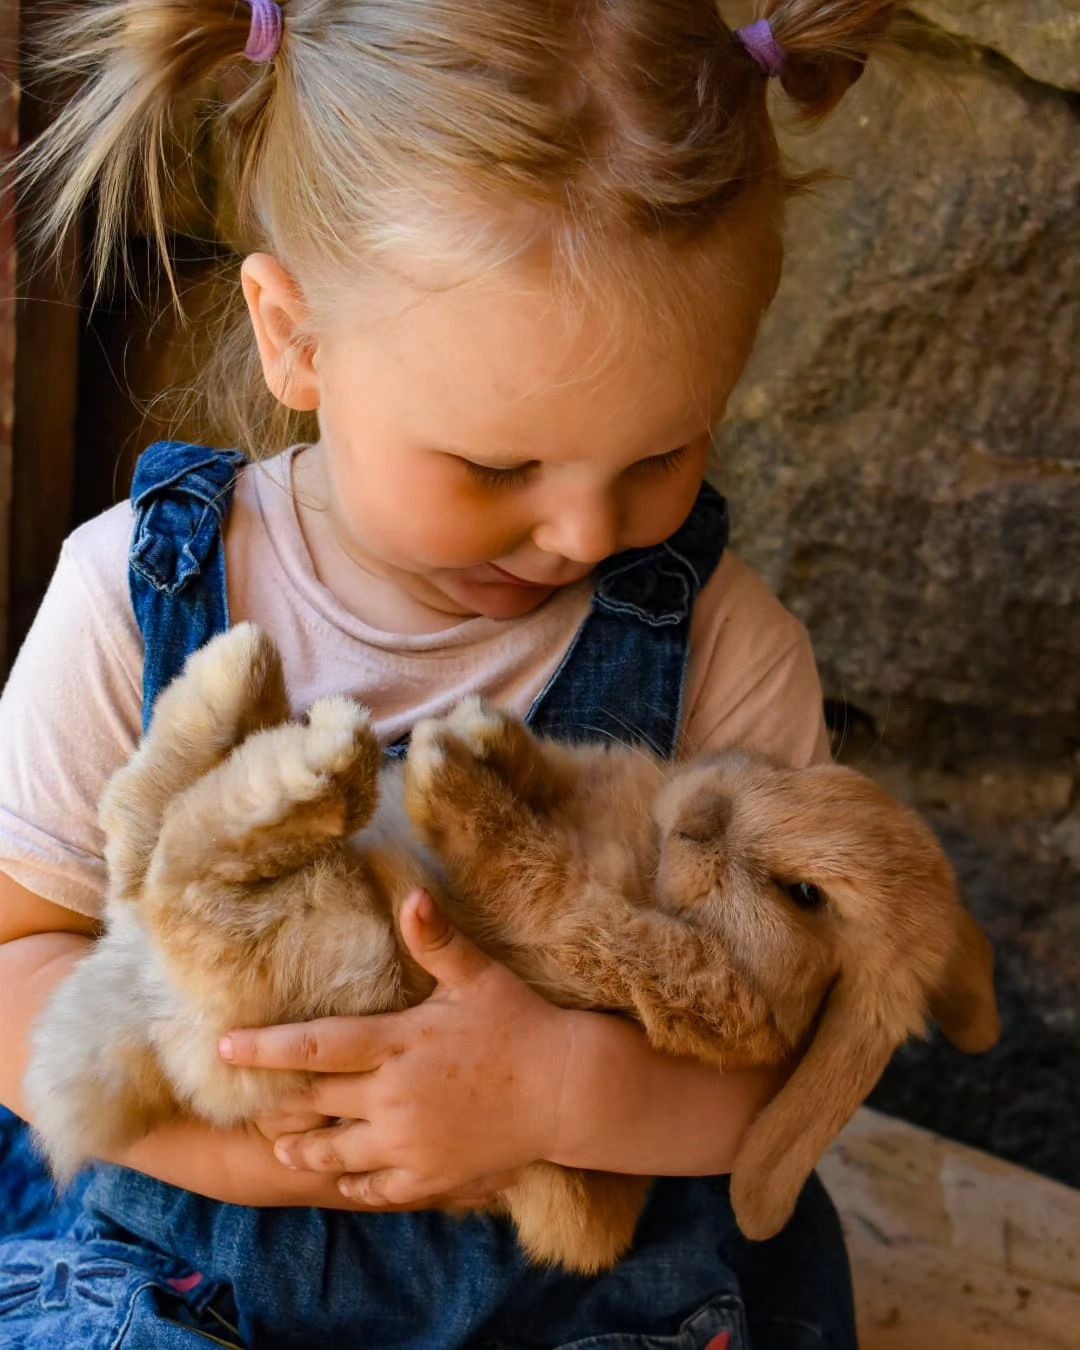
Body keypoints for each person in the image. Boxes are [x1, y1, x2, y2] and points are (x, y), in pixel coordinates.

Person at [0, 1, 902, 1344]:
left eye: (664, 453)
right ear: (295, 338)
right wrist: (273, 1154)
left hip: (582, 1301)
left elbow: (788, 1058)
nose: (584, 533)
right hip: (185, 1269)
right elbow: (18, 961)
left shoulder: (727, 652)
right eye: (497, 466)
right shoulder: (135, 597)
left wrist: (558, 1093)